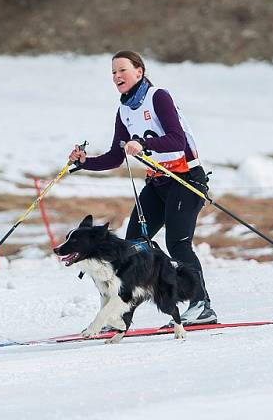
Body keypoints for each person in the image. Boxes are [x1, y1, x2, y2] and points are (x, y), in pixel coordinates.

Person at [68, 50, 216, 326]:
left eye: (122, 70)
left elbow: (176, 139)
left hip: (186, 179)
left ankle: (202, 305)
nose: (117, 76)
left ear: (139, 71)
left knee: (177, 243)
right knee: (133, 243)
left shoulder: (158, 96)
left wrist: (145, 144)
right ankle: (121, 313)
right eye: (113, 72)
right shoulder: (124, 110)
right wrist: (85, 162)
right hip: (158, 182)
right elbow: (116, 155)